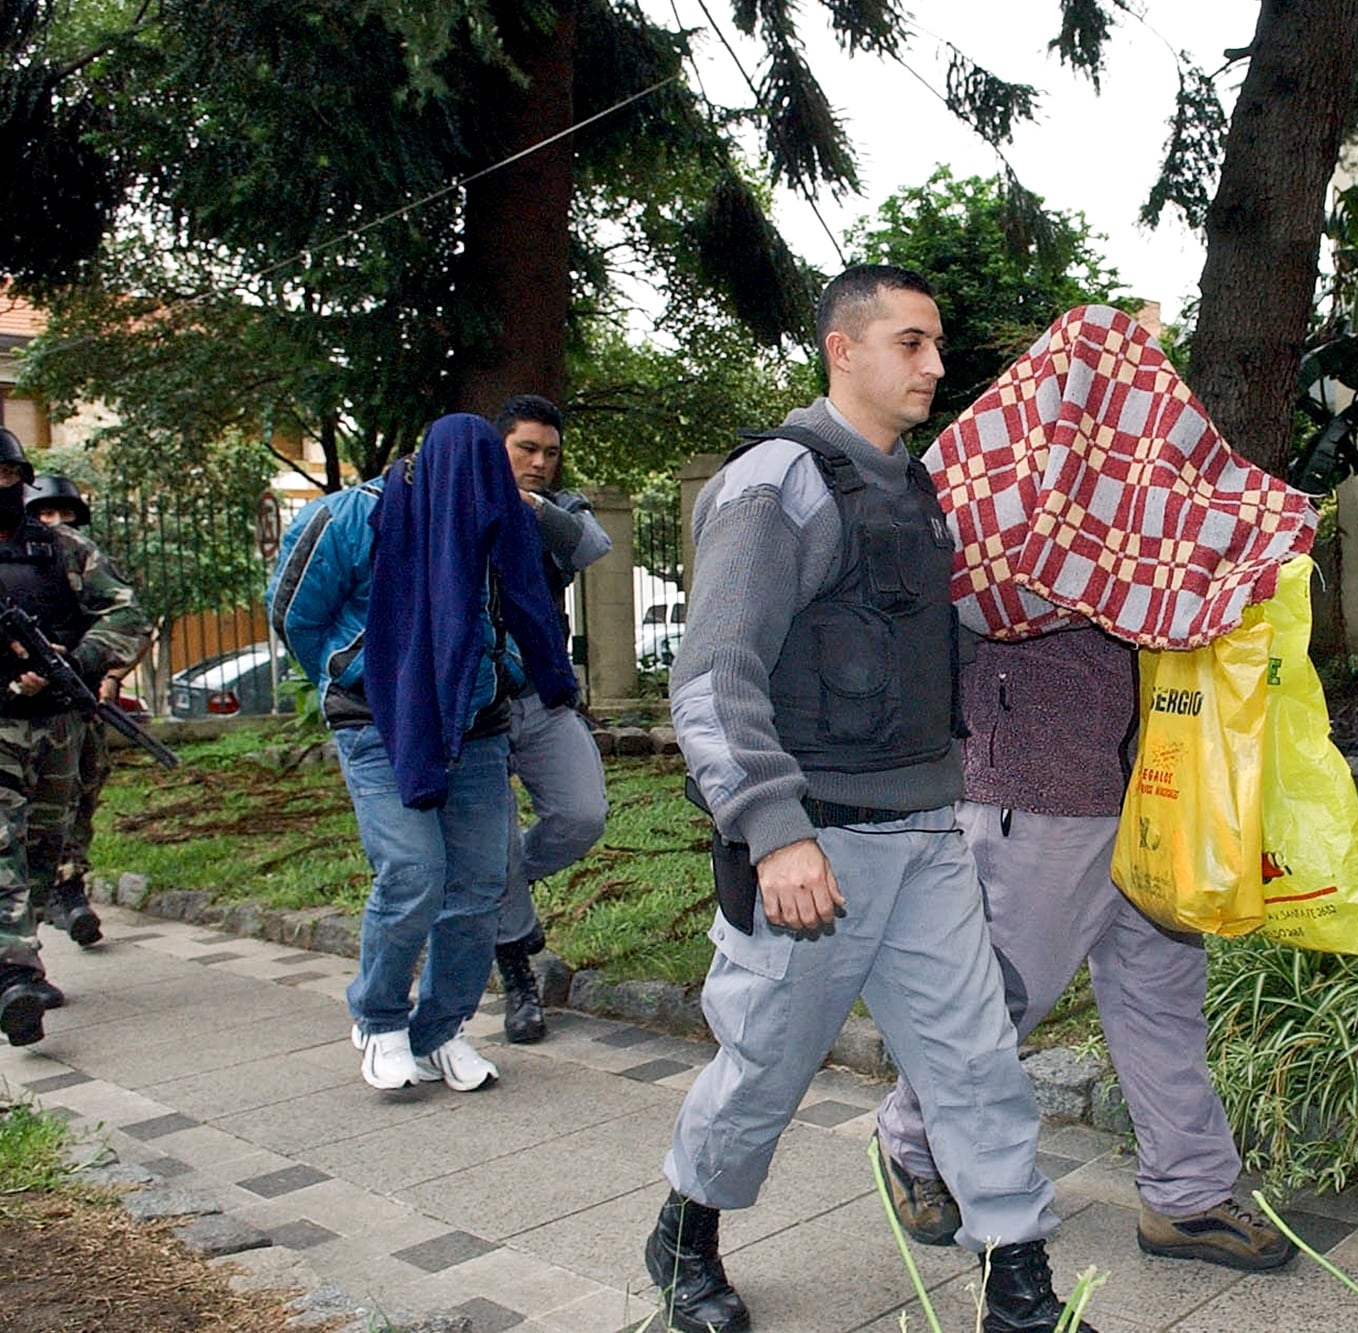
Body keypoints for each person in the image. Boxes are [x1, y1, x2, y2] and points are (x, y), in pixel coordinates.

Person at [649, 265, 1091, 1333]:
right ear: (841, 349)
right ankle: (684, 1235)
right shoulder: (775, 485)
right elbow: (712, 680)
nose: (935, 366)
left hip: (928, 830)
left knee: (974, 1058)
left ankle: (1018, 1283)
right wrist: (772, 830)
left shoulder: (919, 491)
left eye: (936, 345)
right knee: (765, 1063)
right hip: (817, 848)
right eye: (910, 343)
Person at [872, 626, 1295, 1272]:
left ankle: (1186, 1192)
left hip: (1163, 766)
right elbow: (985, 587)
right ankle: (912, 1140)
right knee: (1001, 993)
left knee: (1163, 994)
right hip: (1042, 769)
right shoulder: (1007, 518)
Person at [269, 415, 576, 1093]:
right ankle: (379, 1018)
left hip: (478, 725)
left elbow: (528, 608)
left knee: (477, 885)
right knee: (413, 871)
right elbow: (295, 613)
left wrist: (512, 667)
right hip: (378, 723)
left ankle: (440, 1028)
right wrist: (360, 669)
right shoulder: (353, 518)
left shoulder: (499, 521)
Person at [0, 436, 147, 1044]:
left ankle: (23, 956)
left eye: (9, 474)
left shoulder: (59, 549)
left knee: (45, 845)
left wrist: (81, 658)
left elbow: (127, 612)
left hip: (59, 722)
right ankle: (14, 975)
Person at [488, 393, 611, 1044]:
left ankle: (498, 885)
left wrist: (526, 505)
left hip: (542, 693)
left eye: (550, 452)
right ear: (495, 447)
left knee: (582, 814)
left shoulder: (558, 511)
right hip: (473, 707)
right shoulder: (459, 505)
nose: (540, 462)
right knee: (494, 835)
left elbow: (591, 545)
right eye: (525, 449)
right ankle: (518, 981)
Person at [24, 474, 115, 953]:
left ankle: (68, 883)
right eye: (44, 514)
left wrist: (101, 674)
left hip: (79, 705)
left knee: (78, 798)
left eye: (63, 514)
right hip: (22, 709)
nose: (54, 523)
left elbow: (123, 621)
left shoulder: (82, 558)